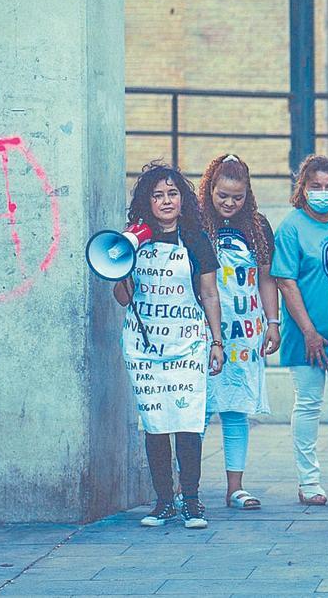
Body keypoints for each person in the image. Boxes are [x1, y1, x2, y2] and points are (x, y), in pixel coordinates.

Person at [113, 162, 224, 530]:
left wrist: (216, 341)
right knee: (155, 422)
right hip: (145, 347)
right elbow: (121, 296)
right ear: (147, 200)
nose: (165, 201)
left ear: (182, 200)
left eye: (172, 194)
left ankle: (191, 500)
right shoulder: (133, 239)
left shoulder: (195, 239)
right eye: (158, 195)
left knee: (188, 421)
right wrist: (119, 266)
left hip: (186, 343)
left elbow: (209, 294)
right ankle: (163, 501)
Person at [272, 155, 328, 506]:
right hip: (304, 335)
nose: (323, 193)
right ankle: (309, 482)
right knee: (308, 404)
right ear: (303, 189)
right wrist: (308, 331)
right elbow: (285, 280)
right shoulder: (291, 227)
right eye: (315, 187)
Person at [197, 154, 281, 510]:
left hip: (246, 333)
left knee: (235, 409)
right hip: (201, 331)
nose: (229, 203)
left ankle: (236, 488)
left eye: (237, 197)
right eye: (223, 195)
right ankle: (187, 488)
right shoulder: (195, 224)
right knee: (196, 411)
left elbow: (266, 278)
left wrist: (273, 323)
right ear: (209, 190)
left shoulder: (259, 227)